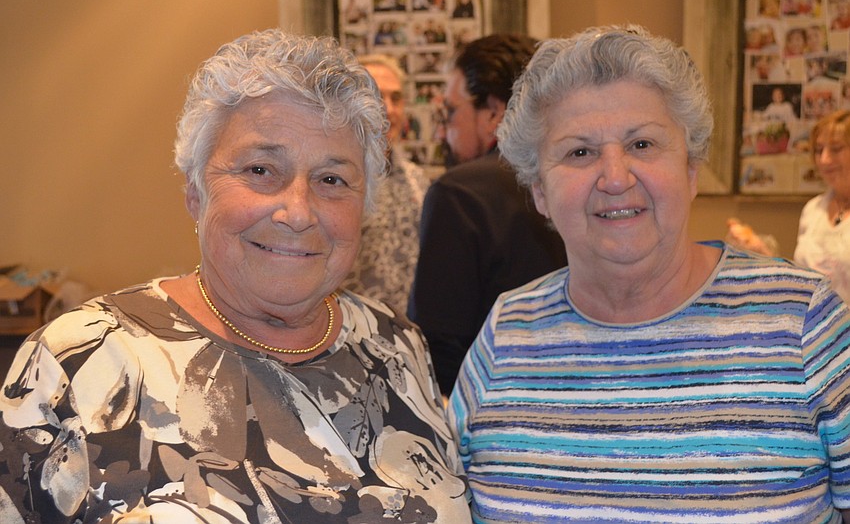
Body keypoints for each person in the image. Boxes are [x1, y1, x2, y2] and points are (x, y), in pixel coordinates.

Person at [0, 30, 471, 523]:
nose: (298, 211)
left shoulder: (397, 346)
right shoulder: (75, 363)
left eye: (332, 179)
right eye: (261, 170)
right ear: (196, 193)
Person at [449, 25, 850, 522]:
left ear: (690, 169)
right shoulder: (506, 332)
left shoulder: (804, 324)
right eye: (579, 152)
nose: (615, 177)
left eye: (641, 144)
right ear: (538, 191)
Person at [408, 34, 567, 395]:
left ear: (494, 111)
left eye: (449, 113)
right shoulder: (577, 178)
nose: (440, 132)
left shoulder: (459, 193)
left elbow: (437, 348)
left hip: (489, 409)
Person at [343, 53, 430, 313]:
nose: (389, 109)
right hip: (349, 334)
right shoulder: (335, 181)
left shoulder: (418, 180)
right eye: (378, 96)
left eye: (396, 98)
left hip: (407, 337)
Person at [794, 109, 850, 304]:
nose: (825, 159)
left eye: (836, 149)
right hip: (815, 331)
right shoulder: (812, 210)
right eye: (819, 150)